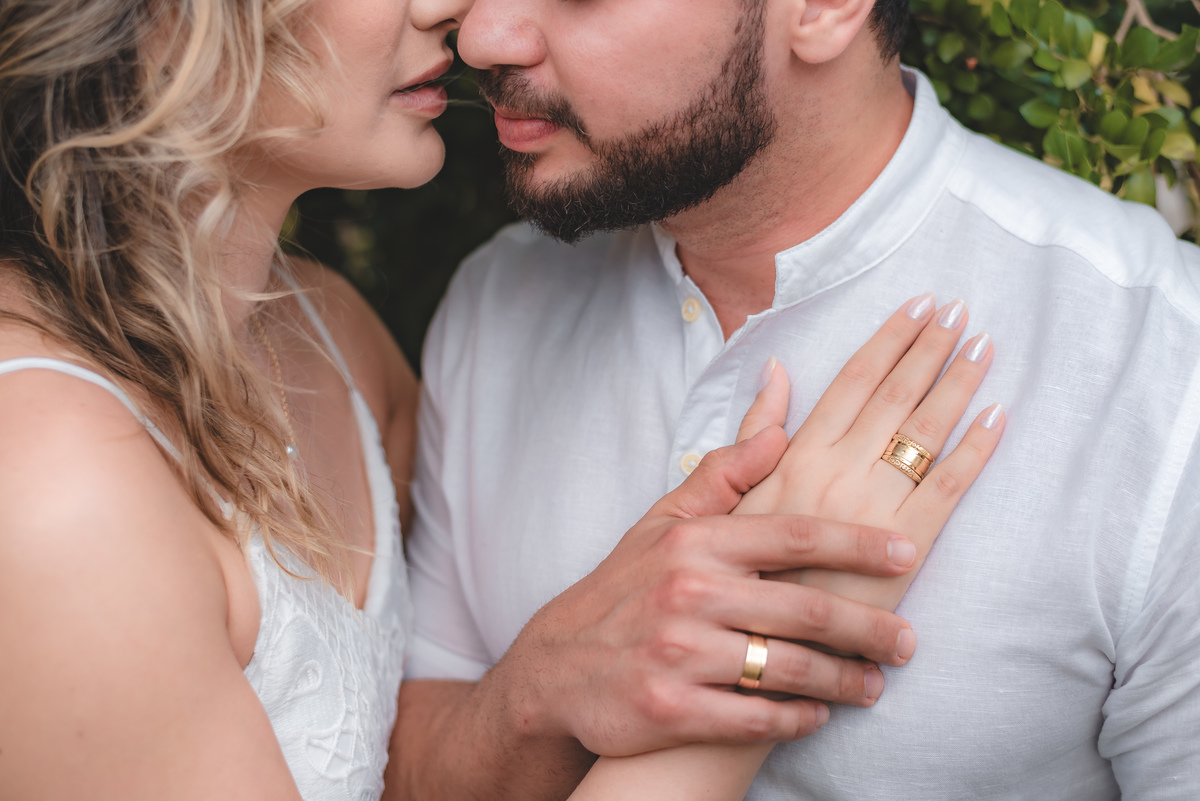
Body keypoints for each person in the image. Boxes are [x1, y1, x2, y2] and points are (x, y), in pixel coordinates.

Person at [0, 1, 959, 799]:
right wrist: (759, 636)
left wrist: (536, 689)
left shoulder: (333, 336)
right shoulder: (55, 483)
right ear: (164, 21)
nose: (457, 17)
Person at [395, 0, 1200, 798]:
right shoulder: (496, 304)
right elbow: (412, 769)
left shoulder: (1159, 370)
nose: (481, 35)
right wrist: (538, 689)